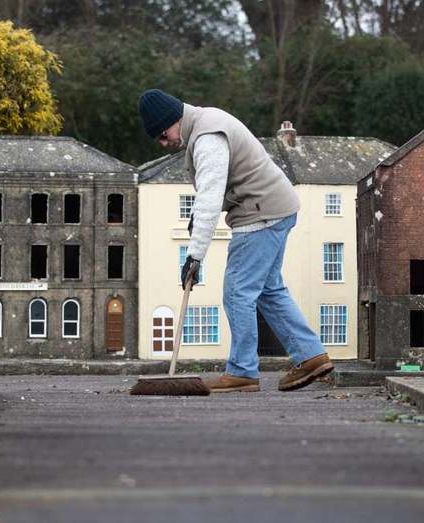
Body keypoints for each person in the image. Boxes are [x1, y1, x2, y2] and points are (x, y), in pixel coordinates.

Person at [137, 89, 334, 392]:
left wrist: (194, 256)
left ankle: (242, 371)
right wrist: (197, 222)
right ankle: (310, 357)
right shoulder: (206, 122)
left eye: (163, 135)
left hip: (259, 214)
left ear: (173, 119)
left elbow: (212, 195)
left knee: (237, 292)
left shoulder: (207, 138)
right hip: (275, 208)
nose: (165, 143)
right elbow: (212, 190)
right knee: (269, 289)